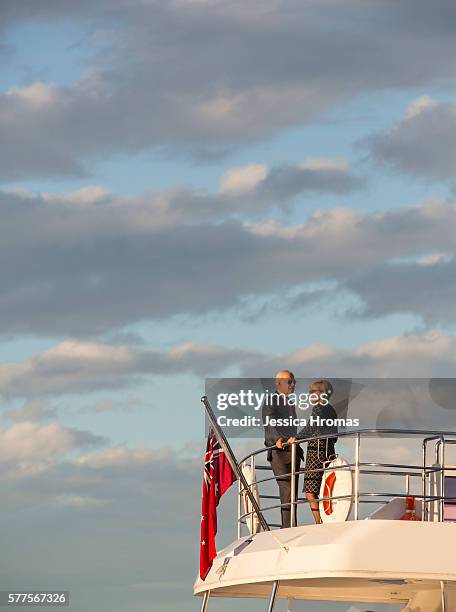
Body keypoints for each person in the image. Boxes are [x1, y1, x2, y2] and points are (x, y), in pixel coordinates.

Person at [262, 370, 303, 528]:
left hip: (293, 451)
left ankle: (291, 525)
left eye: (294, 382)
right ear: (279, 383)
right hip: (279, 451)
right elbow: (269, 421)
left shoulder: (290, 403)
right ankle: (288, 528)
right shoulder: (271, 400)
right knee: (286, 488)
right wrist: (278, 439)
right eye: (289, 382)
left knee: (293, 491)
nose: (293, 385)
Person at [297, 379, 338, 524]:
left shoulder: (319, 408)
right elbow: (335, 435)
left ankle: (319, 522)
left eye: (313, 392)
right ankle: (326, 519)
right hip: (329, 451)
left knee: (310, 489)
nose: (310, 395)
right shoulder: (332, 410)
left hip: (316, 451)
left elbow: (311, 426)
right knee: (324, 488)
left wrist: (296, 438)